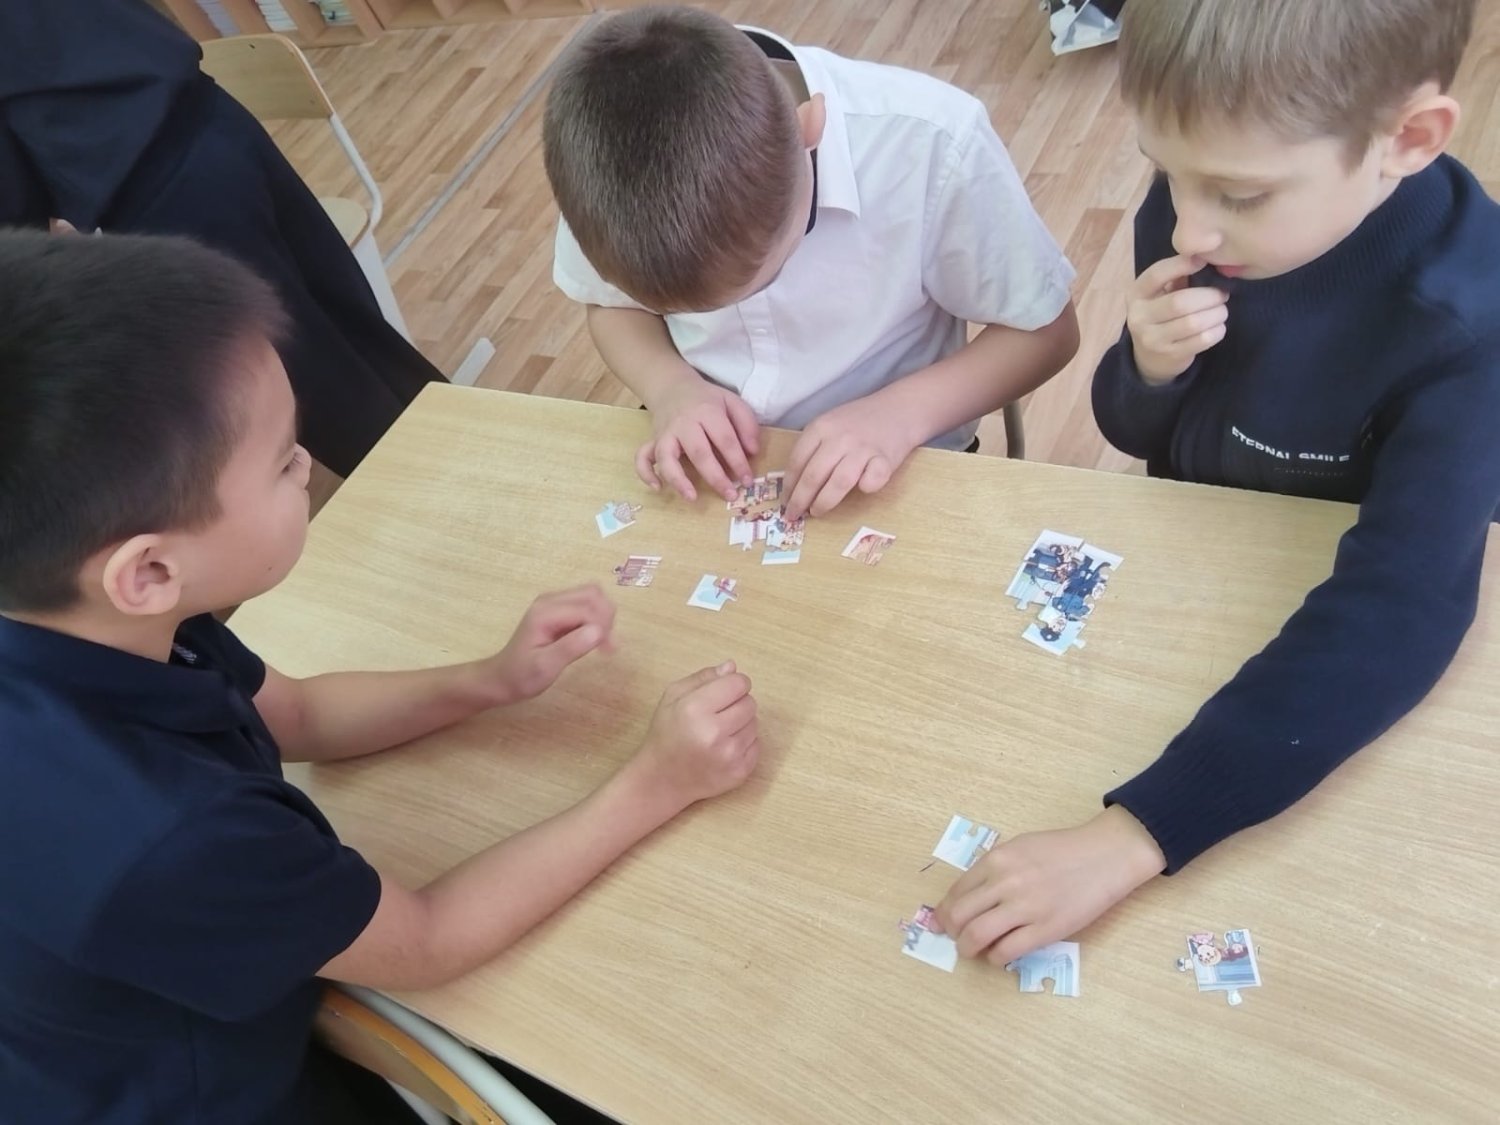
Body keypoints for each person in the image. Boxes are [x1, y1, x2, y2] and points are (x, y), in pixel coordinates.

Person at [0, 230, 761, 1124]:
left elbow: (298, 714)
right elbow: (430, 938)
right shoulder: (171, 837)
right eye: (284, 461)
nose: (308, 467)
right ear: (150, 570)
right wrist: (657, 781)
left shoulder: (85, 609)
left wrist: (490, 678)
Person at [937, 0, 1500, 965]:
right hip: (1188, 565)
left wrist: (1136, 834)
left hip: (1317, 646)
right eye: (1164, 169)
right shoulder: (1203, 205)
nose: (1188, 229)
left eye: (1239, 195)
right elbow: (1139, 432)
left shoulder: (1468, 323)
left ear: (1407, 140)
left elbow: (1401, 609)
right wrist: (1150, 371)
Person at [542, 5, 1079, 521]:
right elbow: (610, 306)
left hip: (906, 451)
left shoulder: (932, 141)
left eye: (769, 274)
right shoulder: (610, 174)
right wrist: (669, 387)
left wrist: (901, 413)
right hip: (707, 446)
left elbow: (1048, 333)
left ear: (810, 131)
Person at [0, 0, 443, 477]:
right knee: (348, 316)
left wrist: (33, 242)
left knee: (298, 370)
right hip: (213, 117)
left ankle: (427, 488)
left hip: (150, 186)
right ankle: (473, 442)